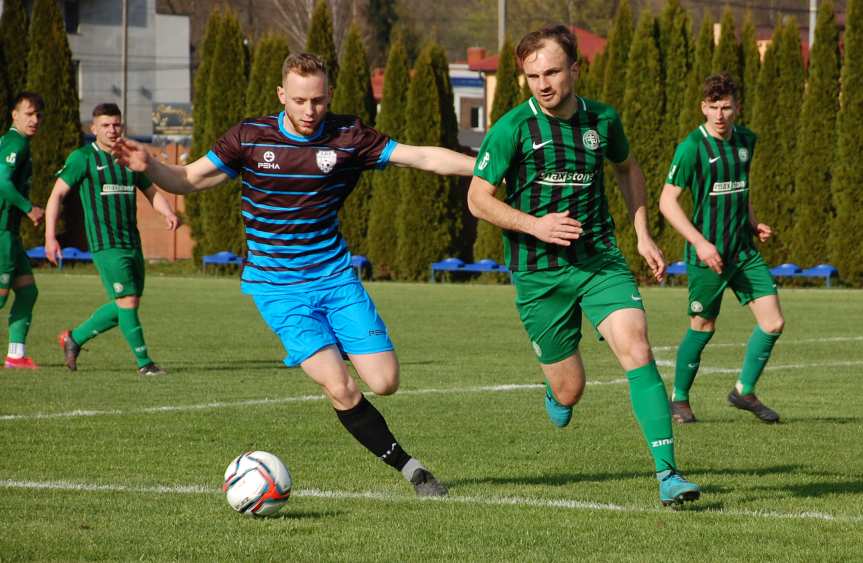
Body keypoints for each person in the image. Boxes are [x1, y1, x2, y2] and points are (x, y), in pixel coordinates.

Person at [112, 53, 475, 496]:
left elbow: (421, 157)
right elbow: (187, 178)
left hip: (335, 278)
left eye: (318, 101)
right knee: (340, 387)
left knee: (385, 382)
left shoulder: (348, 137)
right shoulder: (249, 137)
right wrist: (150, 166)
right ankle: (413, 471)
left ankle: (333, 344)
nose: (309, 111)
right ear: (282, 95)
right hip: (278, 288)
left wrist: (486, 166)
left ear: (329, 96)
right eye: (300, 100)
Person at [467, 25, 700, 506]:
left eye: (552, 71)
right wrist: (536, 226)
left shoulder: (603, 121)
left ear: (575, 68)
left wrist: (641, 232)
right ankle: (558, 396)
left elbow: (628, 168)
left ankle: (668, 474)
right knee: (571, 390)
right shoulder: (513, 128)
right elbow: (477, 199)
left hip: (598, 261)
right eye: (533, 75)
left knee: (636, 345)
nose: (543, 83)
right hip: (538, 272)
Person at [659, 73, 783, 424]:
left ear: (737, 108)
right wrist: (699, 243)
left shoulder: (745, 141)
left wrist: (752, 221)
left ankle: (743, 391)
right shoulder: (691, 148)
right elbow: (667, 202)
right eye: (713, 107)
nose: (719, 114)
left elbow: (739, 190)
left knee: (773, 322)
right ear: (703, 107)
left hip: (743, 252)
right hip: (709, 257)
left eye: (726, 107)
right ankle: (679, 400)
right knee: (703, 326)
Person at [45, 103, 179, 376]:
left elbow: (150, 190)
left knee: (127, 303)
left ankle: (74, 338)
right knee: (127, 301)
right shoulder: (82, 157)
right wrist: (50, 236)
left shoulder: (129, 157)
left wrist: (167, 211)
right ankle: (145, 364)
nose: (111, 130)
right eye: (105, 125)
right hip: (105, 244)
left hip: (132, 242)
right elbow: (57, 195)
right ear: (93, 129)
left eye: (116, 124)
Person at [0, 92, 45, 369]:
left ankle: (16, 356)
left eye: (39, 115)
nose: (35, 120)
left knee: (27, 292)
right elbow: (2, 182)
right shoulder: (16, 142)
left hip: (11, 234)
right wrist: (29, 208)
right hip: (2, 231)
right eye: (29, 114)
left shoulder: (16, 142)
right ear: (14, 115)